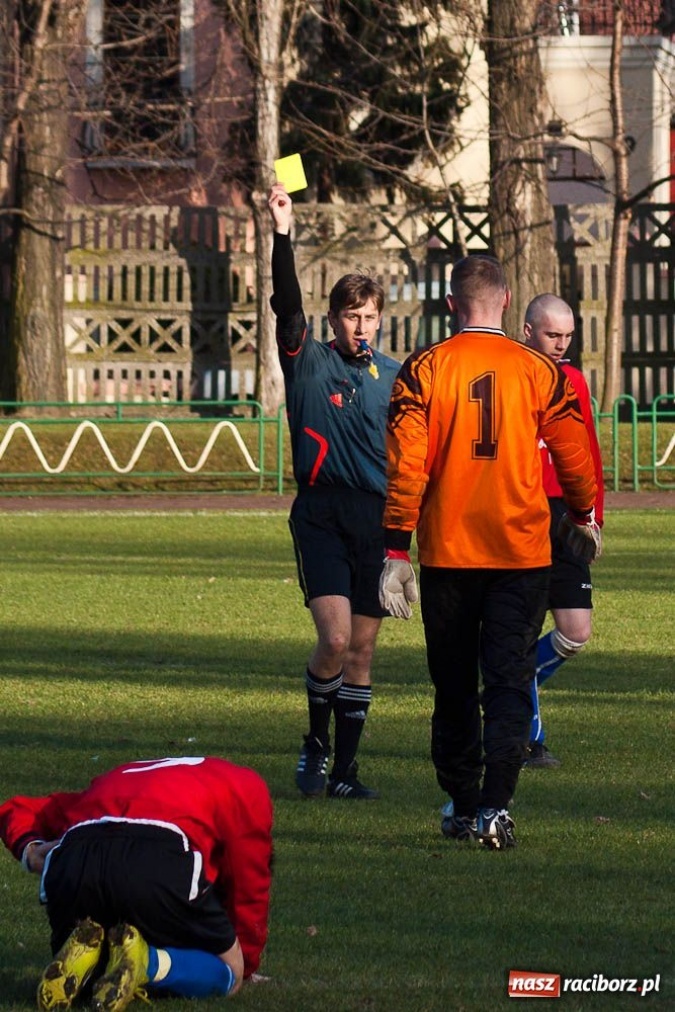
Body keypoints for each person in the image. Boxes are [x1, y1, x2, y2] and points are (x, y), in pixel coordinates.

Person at [379, 254, 600, 849]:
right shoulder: (538, 369)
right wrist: (583, 513)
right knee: (507, 680)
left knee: (452, 686)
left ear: (452, 305)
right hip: (520, 554)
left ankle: (460, 799)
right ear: (506, 302)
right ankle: (495, 808)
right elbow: (573, 452)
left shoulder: (423, 369)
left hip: (448, 553)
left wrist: (396, 547)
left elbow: (406, 467)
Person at [268, 183, 401, 800]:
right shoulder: (308, 359)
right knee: (337, 639)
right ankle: (315, 745)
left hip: (377, 519)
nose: (363, 326)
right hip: (320, 513)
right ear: (334, 320)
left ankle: (346, 773)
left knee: (364, 651)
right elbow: (285, 306)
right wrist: (283, 233)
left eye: (372, 316)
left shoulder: (396, 378)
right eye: (352, 316)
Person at [0, 756, 273, 1011]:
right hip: (157, 858)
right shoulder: (246, 785)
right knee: (230, 973)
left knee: (115, 940)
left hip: (75, 861)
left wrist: (30, 850)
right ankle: (149, 963)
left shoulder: (118, 777)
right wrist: (246, 962)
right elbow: (248, 883)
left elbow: (18, 809)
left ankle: (91, 964)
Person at [522, 293, 605, 768]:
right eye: (553, 334)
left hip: (570, 515)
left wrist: (594, 518)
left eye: (568, 336)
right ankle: (531, 740)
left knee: (575, 633)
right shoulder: (511, 374)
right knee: (525, 625)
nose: (561, 343)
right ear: (528, 329)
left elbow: (588, 451)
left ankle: (503, 683)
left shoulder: (573, 379)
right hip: (523, 512)